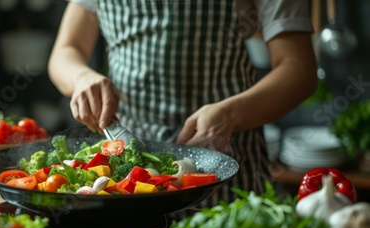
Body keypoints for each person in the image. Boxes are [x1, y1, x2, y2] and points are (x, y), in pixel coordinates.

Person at [47, 0, 317, 206]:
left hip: (223, 169)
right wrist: (81, 77)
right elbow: (66, 50)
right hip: (127, 179)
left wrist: (231, 114)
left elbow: (298, 69)